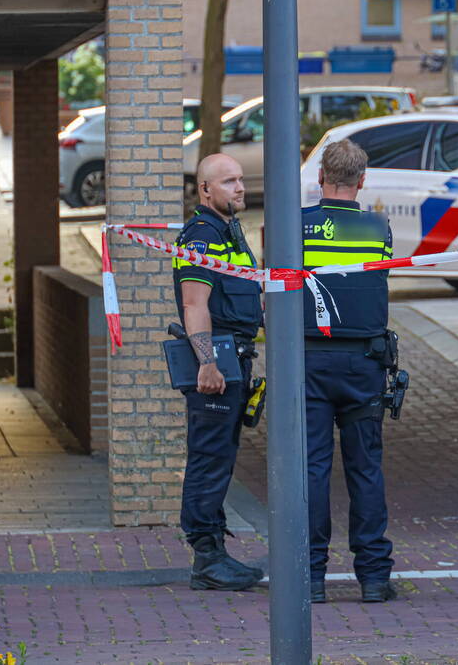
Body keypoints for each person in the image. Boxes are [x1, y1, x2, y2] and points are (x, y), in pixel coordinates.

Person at [303, 140, 397, 604]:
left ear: (321, 176)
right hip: (364, 362)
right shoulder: (378, 227)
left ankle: (312, 576)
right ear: (363, 180)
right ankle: (374, 577)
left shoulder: (293, 227)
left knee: (312, 468)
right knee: (365, 469)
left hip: (309, 362)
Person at [171, 153, 263, 591]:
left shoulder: (229, 231)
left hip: (234, 358)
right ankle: (207, 558)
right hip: (217, 362)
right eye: (228, 181)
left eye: (241, 180)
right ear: (205, 189)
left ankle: (215, 556)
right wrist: (207, 362)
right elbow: (195, 304)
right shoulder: (202, 236)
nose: (239, 187)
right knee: (209, 460)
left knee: (220, 458)